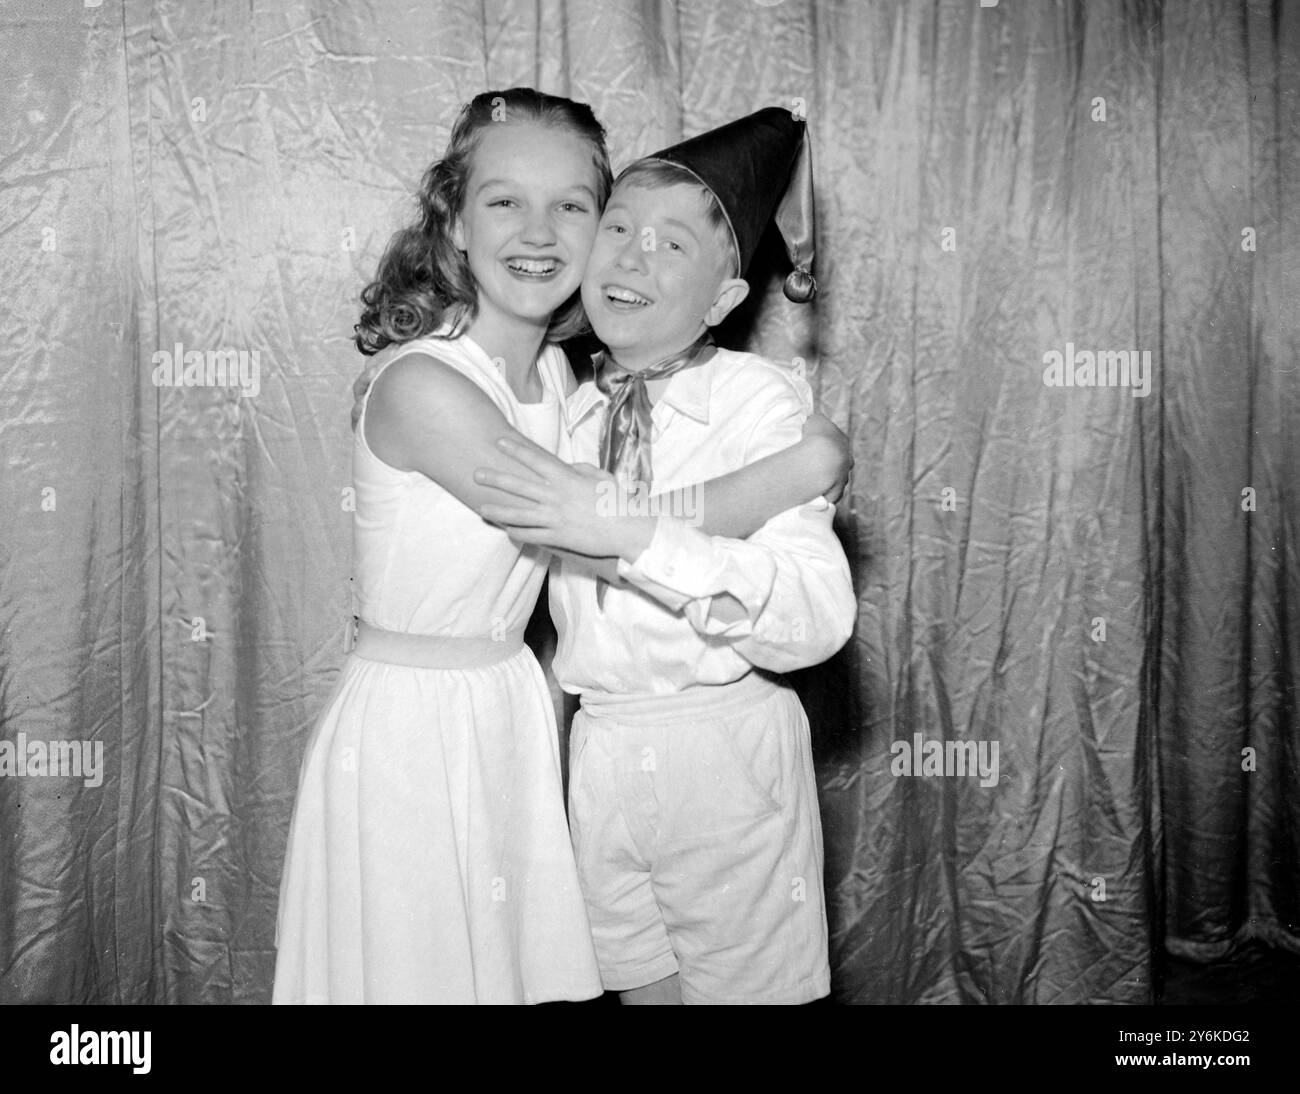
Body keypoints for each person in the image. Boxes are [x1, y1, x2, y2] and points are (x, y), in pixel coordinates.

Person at [277, 90, 849, 1004]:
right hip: (415, 728)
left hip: (517, 710)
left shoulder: (562, 379)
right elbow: (581, 521)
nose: (538, 231)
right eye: (504, 200)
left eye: (573, 207)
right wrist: (800, 468)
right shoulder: (425, 383)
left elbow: (621, 519)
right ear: (453, 221)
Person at [475, 107, 856, 1004]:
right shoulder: (557, 407)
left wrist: (647, 539)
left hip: (725, 754)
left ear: (725, 300)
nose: (632, 258)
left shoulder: (762, 405)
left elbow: (816, 614)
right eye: (618, 228)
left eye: (672, 245)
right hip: (601, 751)